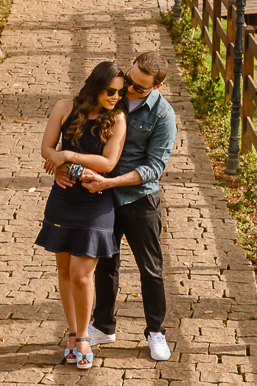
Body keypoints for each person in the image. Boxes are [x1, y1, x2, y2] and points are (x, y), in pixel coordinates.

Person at [60, 52, 177, 362]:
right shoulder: (113, 97)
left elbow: (154, 168)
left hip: (140, 200)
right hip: (102, 199)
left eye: (139, 87)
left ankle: (156, 331)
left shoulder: (163, 116)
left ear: (157, 86)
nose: (128, 90)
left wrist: (111, 182)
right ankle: (104, 326)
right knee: (105, 265)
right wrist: (64, 166)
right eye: (129, 80)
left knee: (150, 268)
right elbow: (79, 136)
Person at [36, 61, 128, 370]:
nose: (116, 97)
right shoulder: (64, 107)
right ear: (95, 85)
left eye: (120, 92)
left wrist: (69, 156)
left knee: (81, 273)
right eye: (110, 91)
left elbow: (108, 163)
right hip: (62, 197)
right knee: (63, 271)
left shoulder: (117, 119)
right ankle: (74, 335)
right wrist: (62, 167)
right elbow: (46, 148)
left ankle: (86, 337)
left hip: (95, 201)